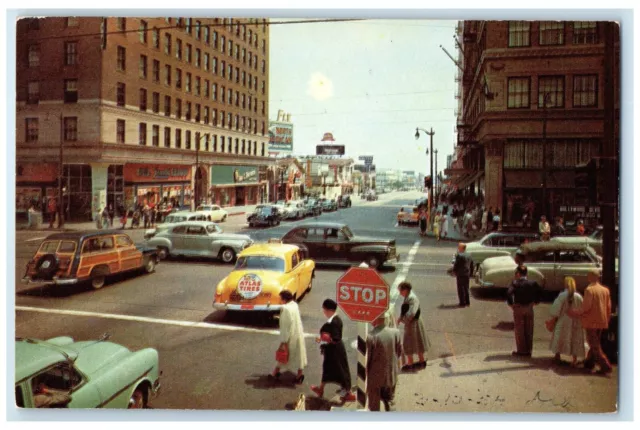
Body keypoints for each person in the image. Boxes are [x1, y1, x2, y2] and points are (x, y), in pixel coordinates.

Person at [567, 269, 613, 375]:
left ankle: (605, 365)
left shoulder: (589, 290)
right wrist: (607, 318)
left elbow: (586, 307)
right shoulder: (605, 290)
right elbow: (609, 306)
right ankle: (589, 362)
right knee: (595, 341)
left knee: (594, 344)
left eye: (588, 275)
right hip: (602, 320)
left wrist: (574, 312)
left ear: (591, 277)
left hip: (591, 320)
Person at [311, 299, 355, 402]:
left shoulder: (334, 321)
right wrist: (322, 338)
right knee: (327, 369)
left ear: (328, 309)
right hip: (331, 350)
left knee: (341, 371)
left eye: (324, 309)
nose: (323, 312)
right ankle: (320, 389)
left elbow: (336, 338)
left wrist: (326, 338)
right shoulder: (334, 319)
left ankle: (348, 393)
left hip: (335, 352)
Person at [366, 315, 403, 412]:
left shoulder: (371, 336)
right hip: (391, 375)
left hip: (375, 378)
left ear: (375, 319)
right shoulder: (396, 333)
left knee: (374, 406)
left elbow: (367, 361)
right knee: (390, 401)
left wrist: (366, 382)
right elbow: (399, 353)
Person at [269, 290, 307, 384]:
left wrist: (283, 340)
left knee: (283, 354)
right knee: (299, 356)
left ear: (284, 299)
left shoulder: (285, 309)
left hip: (290, 336)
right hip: (298, 333)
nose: (280, 301)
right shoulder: (294, 305)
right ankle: (299, 375)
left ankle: (275, 372)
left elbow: (285, 326)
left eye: (280, 299)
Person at [506, 265, 543, 357]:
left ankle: (521, 350)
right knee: (529, 329)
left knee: (520, 330)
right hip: (529, 307)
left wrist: (511, 304)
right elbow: (540, 292)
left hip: (518, 307)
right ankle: (528, 350)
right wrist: (536, 302)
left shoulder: (515, 283)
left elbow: (509, 293)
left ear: (518, 274)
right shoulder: (533, 283)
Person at [549, 277, 586, 367]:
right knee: (575, 339)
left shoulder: (562, 295)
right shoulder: (579, 296)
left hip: (563, 320)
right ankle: (574, 359)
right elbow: (582, 309)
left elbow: (556, 309)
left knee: (559, 337)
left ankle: (557, 355)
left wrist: (553, 318)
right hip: (576, 320)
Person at [396, 282, 430, 371]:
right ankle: (421, 361)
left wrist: (404, 321)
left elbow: (412, 313)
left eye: (400, 291)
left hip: (412, 323)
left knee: (408, 342)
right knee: (418, 341)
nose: (400, 293)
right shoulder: (409, 296)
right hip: (415, 322)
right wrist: (400, 318)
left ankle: (410, 363)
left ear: (405, 290)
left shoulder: (412, 298)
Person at [450, 243, 473, 307]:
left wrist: (454, 271)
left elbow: (456, 265)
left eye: (459, 247)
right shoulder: (469, 255)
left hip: (460, 274)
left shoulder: (459, 255)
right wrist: (470, 273)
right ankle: (467, 302)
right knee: (466, 288)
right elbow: (471, 265)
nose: (458, 248)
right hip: (467, 274)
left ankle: (462, 303)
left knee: (460, 289)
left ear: (462, 248)